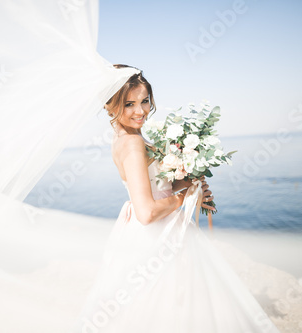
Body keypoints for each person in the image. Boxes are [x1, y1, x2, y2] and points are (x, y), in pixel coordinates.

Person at [74, 65, 281, 333]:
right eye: (129, 104)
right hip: (157, 236)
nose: (140, 111)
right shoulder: (133, 143)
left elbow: (154, 185)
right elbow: (147, 212)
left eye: (145, 101)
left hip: (147, 232)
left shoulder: (127, 137)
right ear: (111, 105)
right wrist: (187, 196)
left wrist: (186, 180)